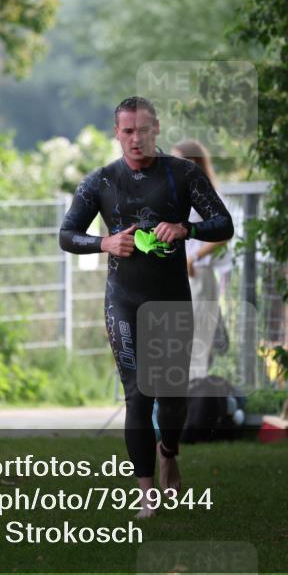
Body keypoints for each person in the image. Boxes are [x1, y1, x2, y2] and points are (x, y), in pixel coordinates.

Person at [58, 97, 234, 518]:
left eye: (144, 130)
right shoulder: (100, 182)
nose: (136, 139)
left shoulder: (183, 174)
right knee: (138, 394)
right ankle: (146, 495)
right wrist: (104, 242)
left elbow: (224, 224)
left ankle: (168, 450)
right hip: (124, 299)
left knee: (172, 396)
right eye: (128, 131)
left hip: (171, 297)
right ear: (117, 134)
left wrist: (185, 227)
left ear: (157, 130)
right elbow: (67, 234)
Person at [171, 140, 233, 380]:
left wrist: (192, 257)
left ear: (193, 163)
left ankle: (193, 404)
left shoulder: (206, 195)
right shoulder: (176, 194)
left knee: (197, 341)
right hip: (177, 275)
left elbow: (223, 234)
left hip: (197, 273)